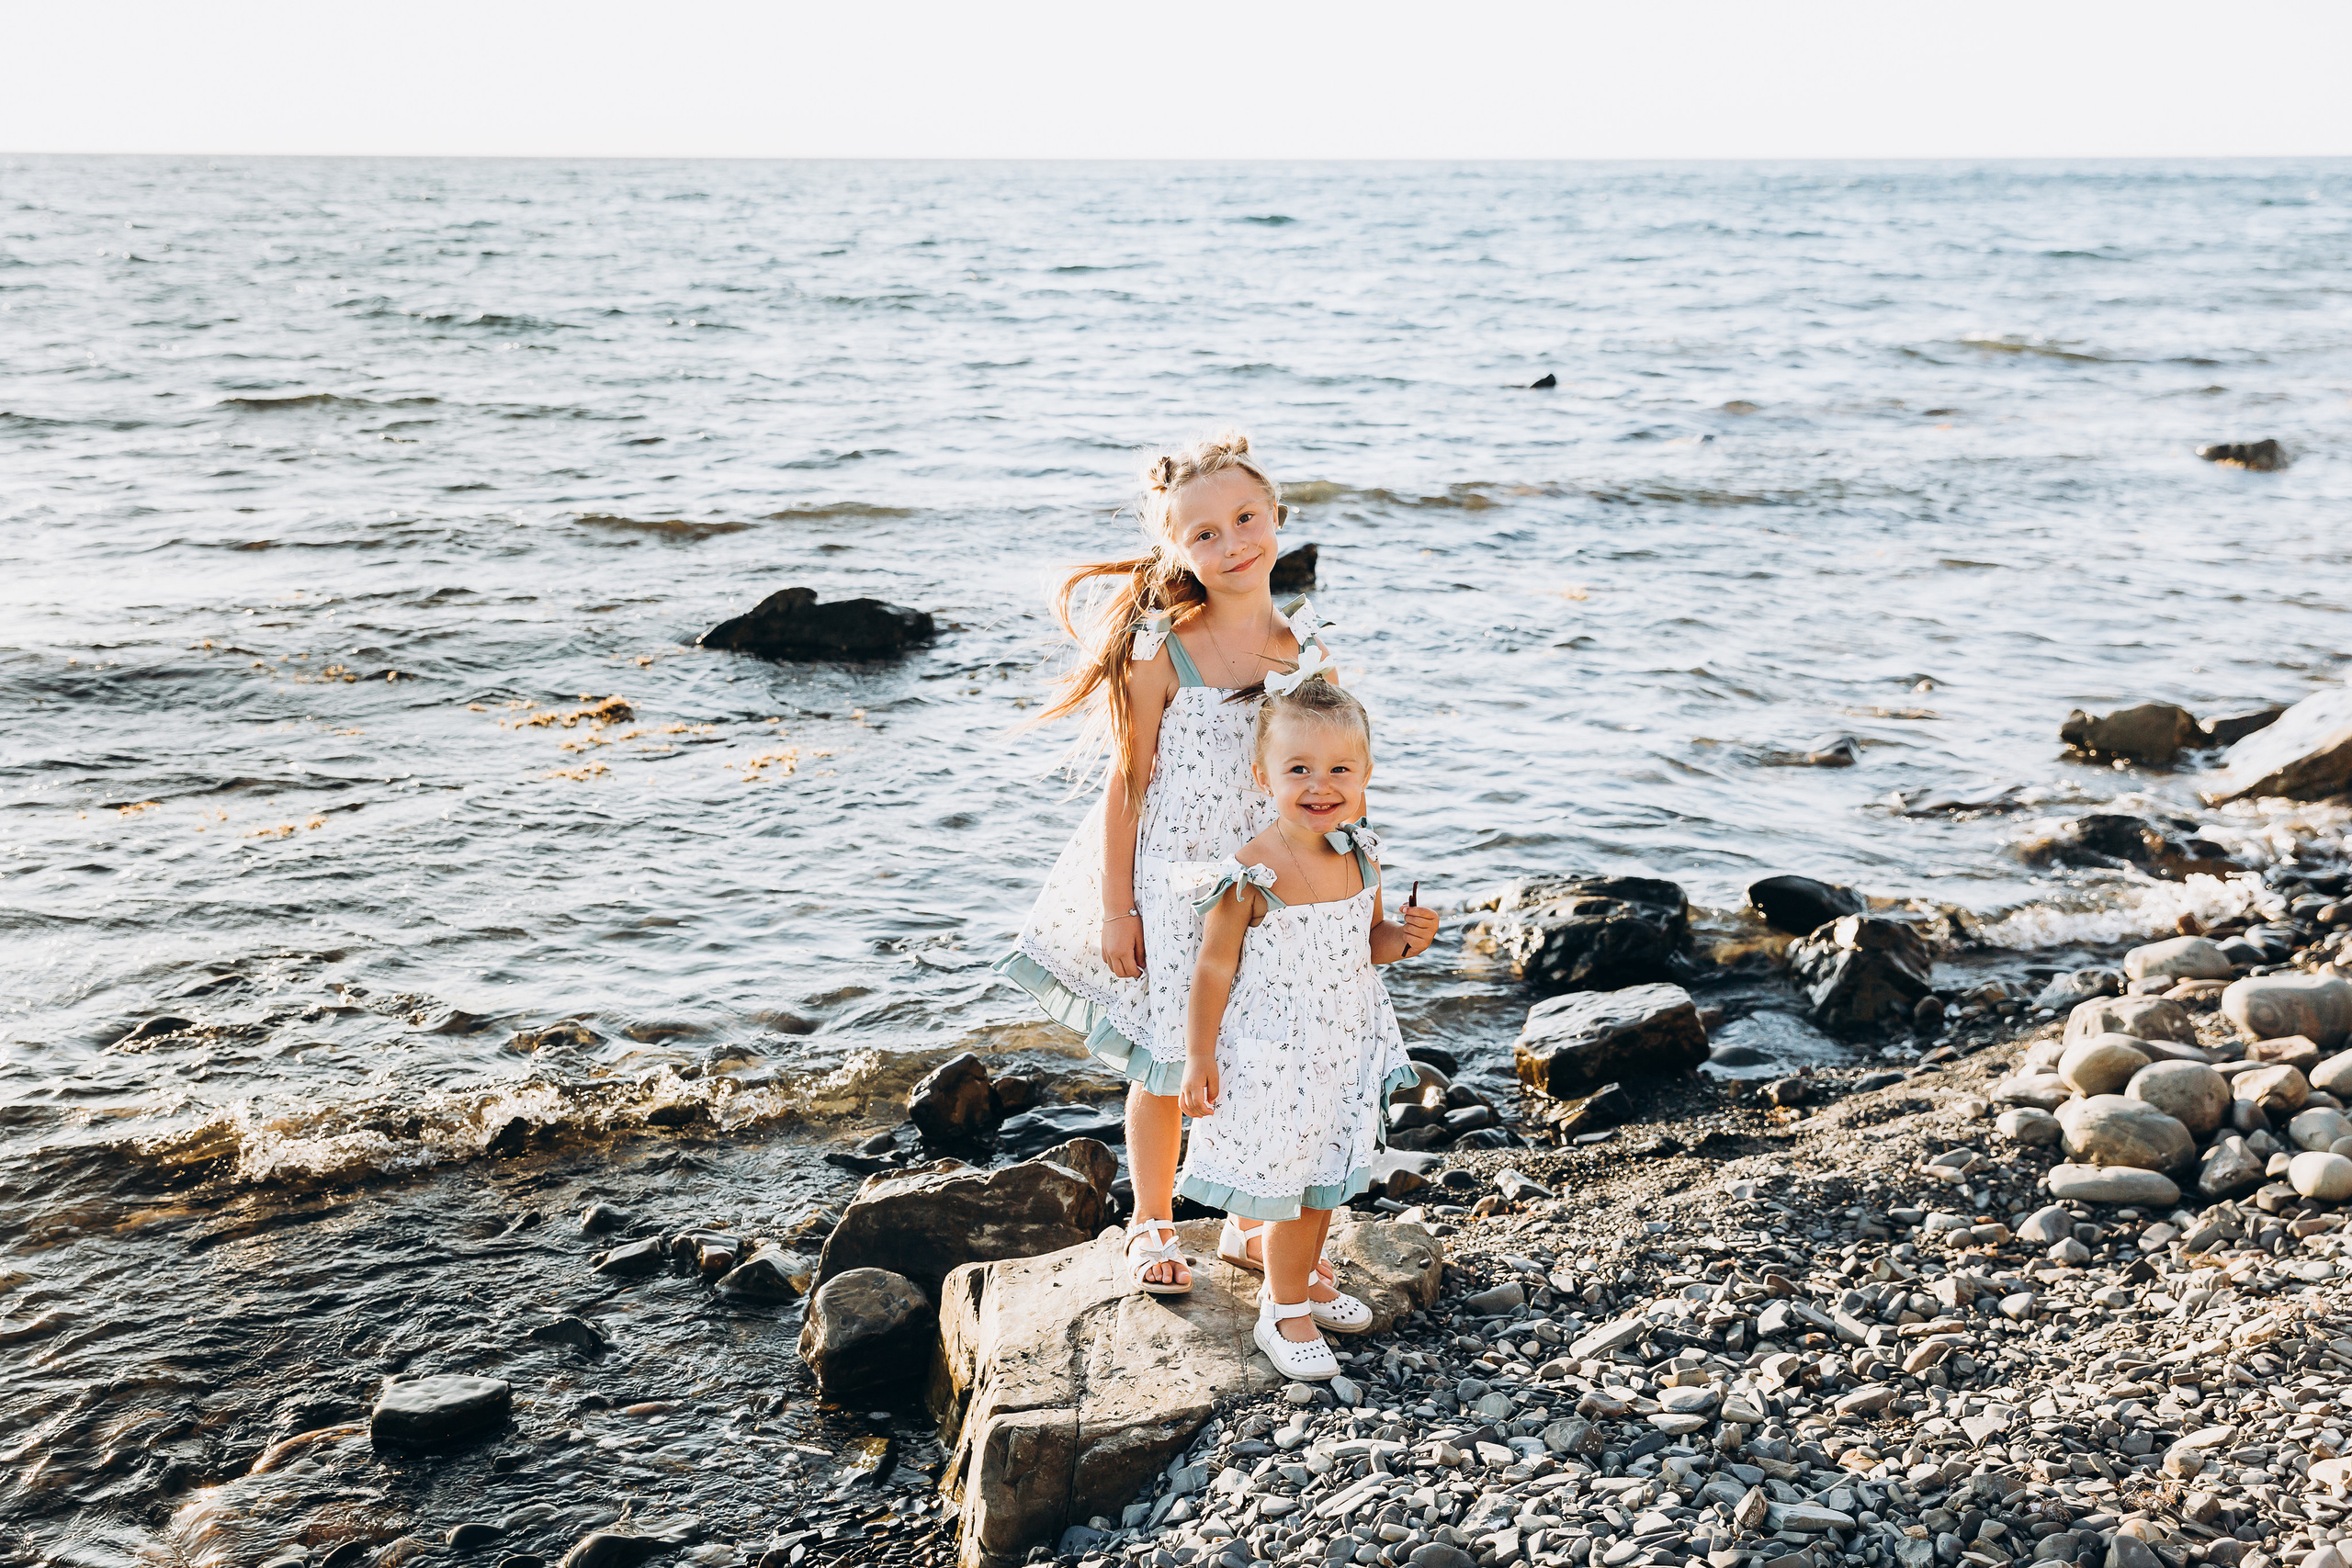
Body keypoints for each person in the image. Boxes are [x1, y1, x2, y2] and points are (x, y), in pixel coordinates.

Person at [994, 430, 1325, 1296]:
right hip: (1169, 883)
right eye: (1204, 533)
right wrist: (1117, 908)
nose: (1233, 542)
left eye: (1246, 518)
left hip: (1261, 886)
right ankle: (1151, 1218)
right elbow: (1128, 784)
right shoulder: (1161, 651)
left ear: (1278, 516)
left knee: (1258, 1049)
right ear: (1174, 548)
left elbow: (1321, 779)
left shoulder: (1304, 650)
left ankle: (1252, 1225)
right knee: (1168, 1059)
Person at [1176, 672, 1439, 1380]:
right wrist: (1199, 1056)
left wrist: (1409, 936)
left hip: (1343, 1041)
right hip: (1274, 1051)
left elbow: (1371, 945)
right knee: (1292, 1176)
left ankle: (1302, 1277)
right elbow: (1211, 971)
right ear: (1263, 774)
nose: (1320, 785)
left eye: (1338, 770)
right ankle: (1282, 1307)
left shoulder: (1359, 854)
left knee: (1326, 1174)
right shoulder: (1251, 873)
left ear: (1365, 775)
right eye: (1299, 769)